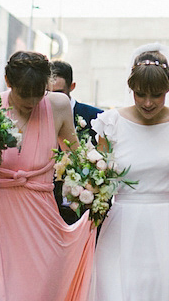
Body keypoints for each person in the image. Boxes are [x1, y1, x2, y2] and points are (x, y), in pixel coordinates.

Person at [0, 51, 95, 301]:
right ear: (9, 82)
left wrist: (99, 182)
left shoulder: (58, 105)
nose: (31, 103)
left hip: (41, 225)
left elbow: (79, 161)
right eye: (23, 96)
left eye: (39, 94)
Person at [89, 49, 169, 301]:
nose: (148, 103)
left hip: (168, 223)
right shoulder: (111, 122)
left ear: (168, 88)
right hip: (122, 223)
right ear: (131, 88)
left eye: (156, 95)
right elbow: (100, 181)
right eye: (140, 94)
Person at [51, 60, 103, 223]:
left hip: (85, 213)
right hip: (49, 212)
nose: (52, 99)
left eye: (59, 93)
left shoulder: (95, 118)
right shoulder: (37, 117)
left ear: (72, 87)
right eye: (48, 93)